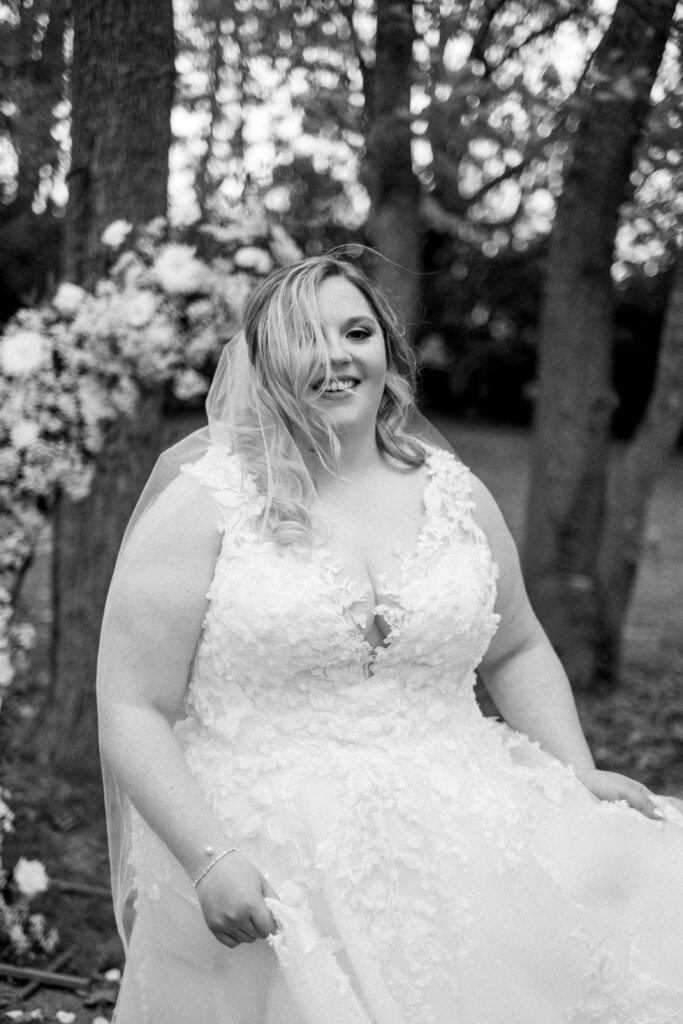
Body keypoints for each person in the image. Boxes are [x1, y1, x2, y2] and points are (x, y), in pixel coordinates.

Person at [97, 253, 683, 1024]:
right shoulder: (205, 506)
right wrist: (209, 860)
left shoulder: (454, 493)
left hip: (465, 838)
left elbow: (516, 647)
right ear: (263, 360)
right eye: (306, 338)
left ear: (387, 349)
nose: (336, 358)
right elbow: (131, 704)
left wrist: (573, 772)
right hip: (270, 859)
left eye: (356, 333)